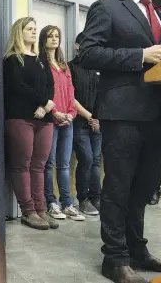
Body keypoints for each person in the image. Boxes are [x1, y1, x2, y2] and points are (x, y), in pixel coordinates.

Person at [79, 0, 161, 283]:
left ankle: (138, 251)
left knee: (144, 187)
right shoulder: (107, 7)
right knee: (119, 188)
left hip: (158, 113)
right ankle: (115, 258)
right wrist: (140, 54)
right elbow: (88, 53)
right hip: (122, 112)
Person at [3, 17, 58, 231]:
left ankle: (41, 210)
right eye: (30, 29)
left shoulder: (42, 59)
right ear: (20, 32)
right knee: (22, 165)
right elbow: (18, 86)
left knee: (39, 166)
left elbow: (50, 85)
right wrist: (44, 102)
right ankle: (28, 212)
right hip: (20, 117)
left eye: (35, 29)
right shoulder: (11, 59)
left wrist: (45, 107)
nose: (34, 32)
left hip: (44, 119)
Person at [39, 25, 85, 222]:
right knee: (49, 164)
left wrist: (72, 114)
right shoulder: (41, 62)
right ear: (44, 40)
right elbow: (44, 92)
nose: (54, 39)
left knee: (65, 165)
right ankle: (51, 202)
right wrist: (56, 112)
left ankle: (67, 203)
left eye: (57, 36)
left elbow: (71, 92)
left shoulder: (63, 64)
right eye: (50, 36)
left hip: (68, 120)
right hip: (51, 119)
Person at [69, 32, 102, 216]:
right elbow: (70, 97)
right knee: (87, 158)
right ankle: (83, 199)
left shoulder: (99, 68)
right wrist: (89, 116)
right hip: (79, 122)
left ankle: (96, 198)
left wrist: (98, 118)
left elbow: (103, 95)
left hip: (97, 123)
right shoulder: (71, 67)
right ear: (77, 45)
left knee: (96, 161)